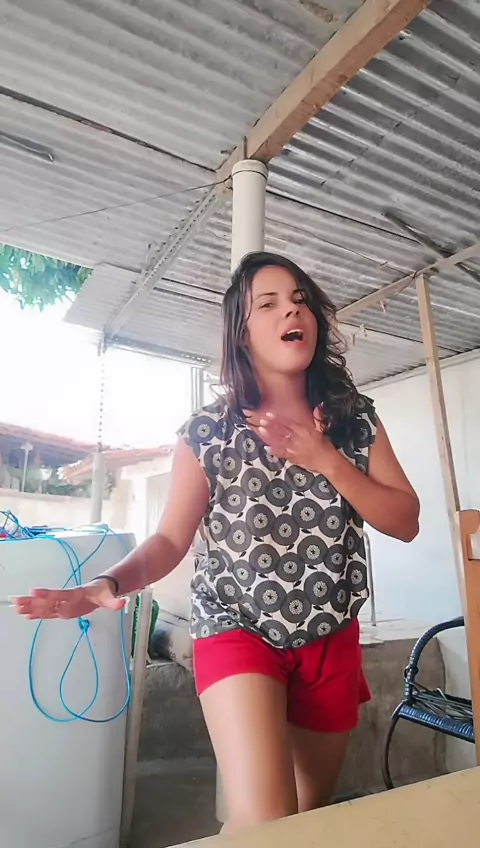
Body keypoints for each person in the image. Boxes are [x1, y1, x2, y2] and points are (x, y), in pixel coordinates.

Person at [14, 252, 419, 833]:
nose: (292, 311)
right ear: (242, 334)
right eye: (269, 304)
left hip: (330, 634)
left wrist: (325, 459)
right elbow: (170, 538)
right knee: (265, 819)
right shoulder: (208, 432)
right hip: (236, 627)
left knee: (304, 819)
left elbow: (405, 520)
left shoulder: (355, 420)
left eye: (300, 300)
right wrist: (108, 583)